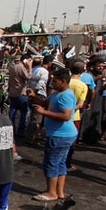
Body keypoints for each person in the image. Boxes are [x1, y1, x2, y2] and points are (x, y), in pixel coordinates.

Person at [29, 67, 77, 201]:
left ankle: (51, 192)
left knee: (51, 163)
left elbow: (66, 115)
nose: (52, 83)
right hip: (60, 134)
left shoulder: (66, 95)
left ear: (63, 81)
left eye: (55, 81)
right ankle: (59, 192)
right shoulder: (57, 93)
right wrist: (34, 98)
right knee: (60, 163)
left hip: (60, 135)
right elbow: (46, 103)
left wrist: (43, 112)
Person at [7, 53, 33, 136]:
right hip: (20, 93)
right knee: (24, 111)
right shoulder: (21, 67)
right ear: (25, 60)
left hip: (12, 93)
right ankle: (21, 131)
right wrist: (30, 67)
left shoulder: (13, 67)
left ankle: (12, 129)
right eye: (29, 60)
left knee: (12, 112)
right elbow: (28, 77)